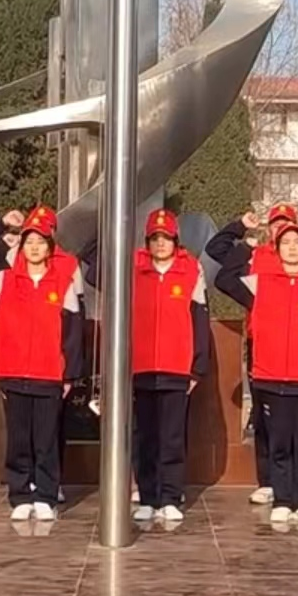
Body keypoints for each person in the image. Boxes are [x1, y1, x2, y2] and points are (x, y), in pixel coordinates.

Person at [84, 209, 210, 523]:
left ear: (176, 240)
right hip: (140, 367)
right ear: (147, 241)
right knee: (144, 437)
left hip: (176, 368)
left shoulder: (191, 269)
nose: (160, 244)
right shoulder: (131, 267)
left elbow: (200, 318)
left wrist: (197, 367)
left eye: (166, 238)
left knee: (172, 437)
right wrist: (109, 232)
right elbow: (93, 271)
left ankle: (170, 497)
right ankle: (148, 496)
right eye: (155, 238)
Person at [215, 218, 298, 526]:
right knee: (279, 442)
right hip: (270, 377)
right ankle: (283, 500)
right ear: (277, 248)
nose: (292, 248)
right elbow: (225, 279)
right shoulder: (260, 284)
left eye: (297, 242)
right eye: (285, 243)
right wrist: (245, 246)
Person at [0, 205, 84, 522]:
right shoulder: (4, 280)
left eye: (40, 242)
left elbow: (73, 331)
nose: (34, 247)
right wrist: (4, 239)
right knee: (18, 439)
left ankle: (46, 495)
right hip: (13, 372)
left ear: (50, 246)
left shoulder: (62, 282)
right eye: (29, 241)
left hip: (49, 374)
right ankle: (19, 495)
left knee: (46, 440)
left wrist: (70, 374)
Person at [205, 203, 298, 506]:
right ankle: (268, 480)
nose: (279, 228)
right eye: (275, 223)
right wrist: (241, 228)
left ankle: (295, 481)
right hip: (262, 342)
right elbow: (216, 251)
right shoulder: (255, 257)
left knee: (296, 416)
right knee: (263, 413)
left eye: (285, 223)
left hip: (296, 345)